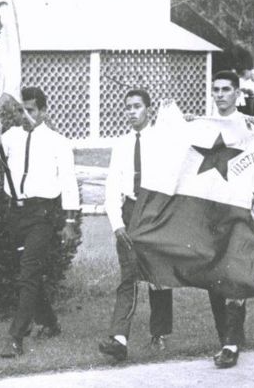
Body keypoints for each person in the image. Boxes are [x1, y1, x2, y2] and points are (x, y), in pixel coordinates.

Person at [0, 87, 80, 358]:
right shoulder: (11, 136)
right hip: (17, 214)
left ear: (44, 111)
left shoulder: (58, 142)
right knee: (27, 274)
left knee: (29, 272)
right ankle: (50, 322)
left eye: (31, 110)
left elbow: (69, 183)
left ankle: (15, 338)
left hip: (42, 215)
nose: (25, 115)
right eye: (22, 109)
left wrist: (70, 222)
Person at [98, 89, 174, 362]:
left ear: (149, 109)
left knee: (158, 277)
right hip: (130, 211)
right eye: (127, 107)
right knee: (129, 276)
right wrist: (118, 224)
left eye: (137, 106)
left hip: (155, 210)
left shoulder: (164, 139)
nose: (131, 111)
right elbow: (112, 187)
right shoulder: (121, 144)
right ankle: (119, 337)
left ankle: (160, 332)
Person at [206, 70, 254, 368]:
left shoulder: (250, 127)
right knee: (214, 276)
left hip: (240, 210)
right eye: (215, 89)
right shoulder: (204, 126)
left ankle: (230, 342)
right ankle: (227, 338)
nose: (220, 94)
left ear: (237, 93)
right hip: (212, 210)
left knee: (236, 276)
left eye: (226, 89)